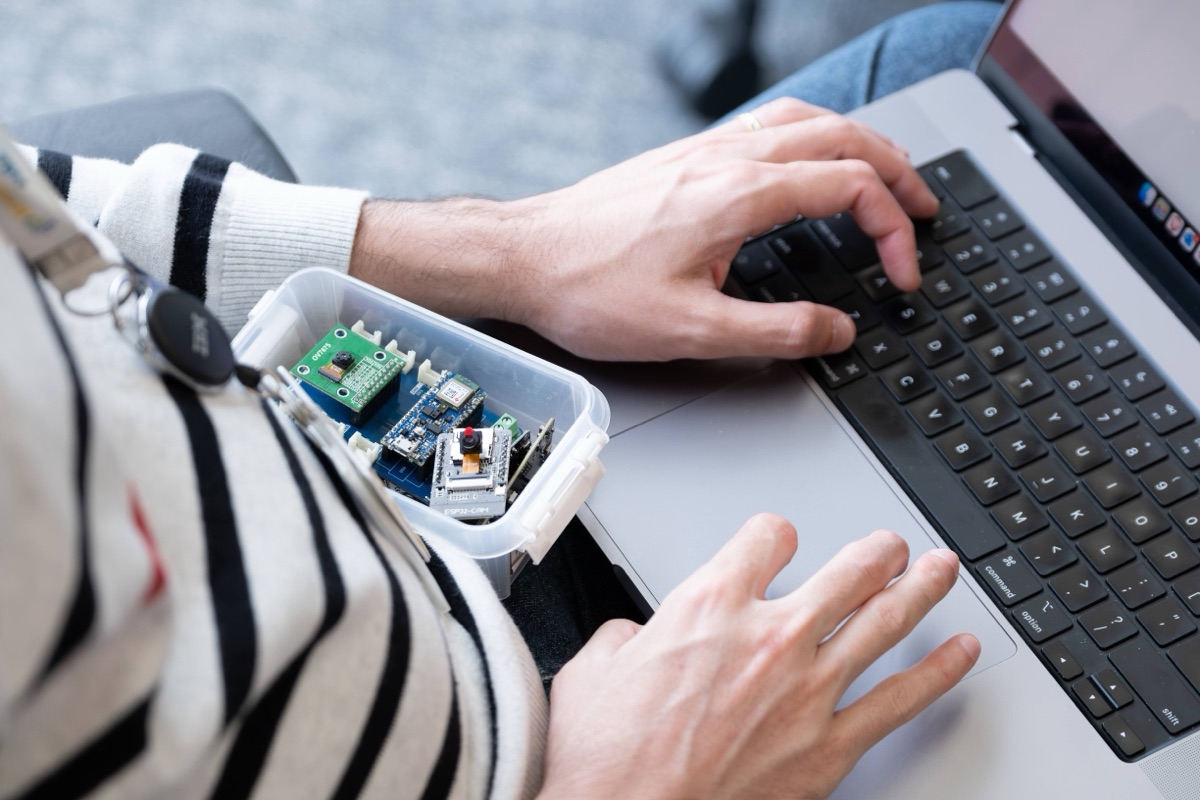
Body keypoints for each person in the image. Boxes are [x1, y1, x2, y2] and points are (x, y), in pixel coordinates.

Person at [0, 3, 1001, 799]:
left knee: (960, 76)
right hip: (548, 751)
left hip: (374, 502)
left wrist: (518, 248)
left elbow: (46, 212)